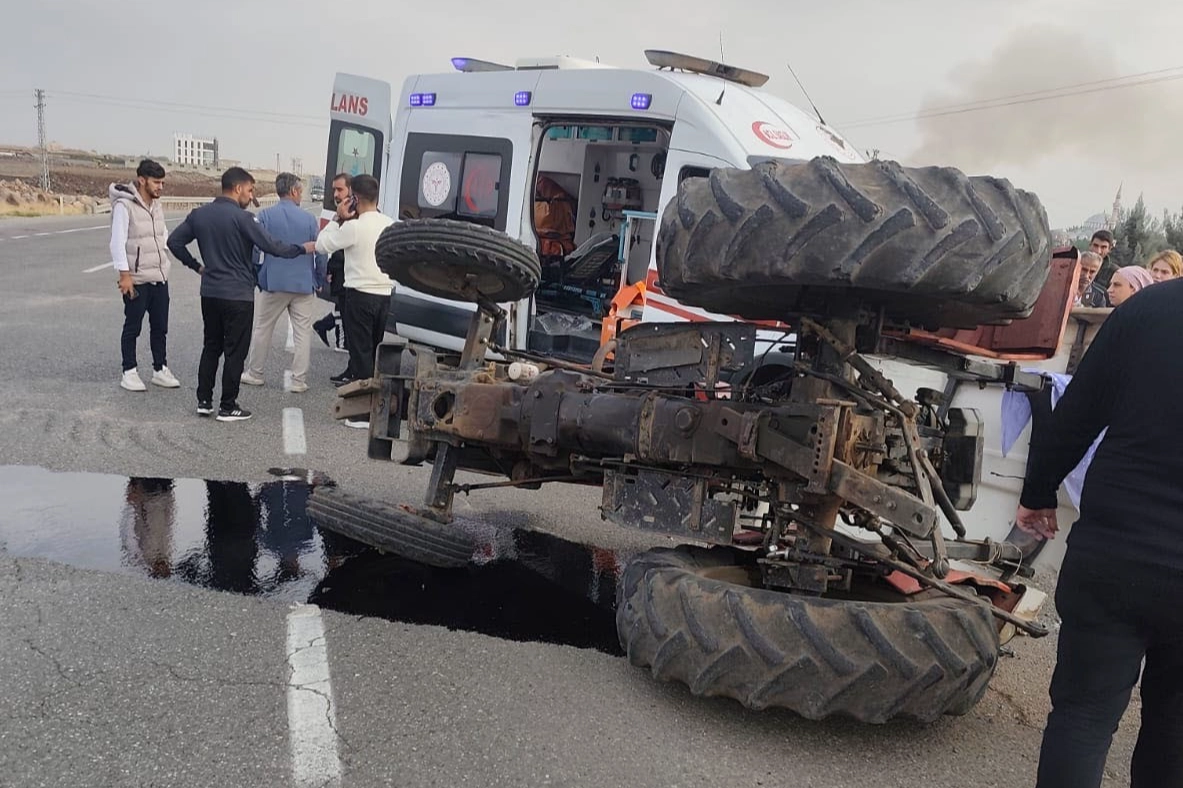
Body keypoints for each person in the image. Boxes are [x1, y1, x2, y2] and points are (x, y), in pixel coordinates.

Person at [1016, 275, 1183, 788]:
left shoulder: (1149, 309)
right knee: (1175, 728)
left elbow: (1078, 412)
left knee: (1082, 716)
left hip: (1116, 551)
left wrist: (1039, 491)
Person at [166, 167, 316, 422]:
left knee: (211, 346)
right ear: (237, 188)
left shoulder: (199, 215)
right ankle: (228, 406)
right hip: (238, 295)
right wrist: (301, 249)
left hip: (210, 292)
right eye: (250, 189)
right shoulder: (244, 219)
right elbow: (272, 247)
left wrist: (197, 266)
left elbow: (174, 242)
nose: (251, 195)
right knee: (235, 351)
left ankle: (204, 401)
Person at [315, 174, 394, 422]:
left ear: (355, 198)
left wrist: (337, 218)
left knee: (360, 355)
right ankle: (374, 408)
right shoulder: (390, 224)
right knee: (374, 353)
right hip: (384, 295)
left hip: (359, 295)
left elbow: (321, 245)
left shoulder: (353, 227)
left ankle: (361, 414)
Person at [240, 173, 326, 394]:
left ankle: (256, 373)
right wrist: (318, 278)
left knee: (263, 329)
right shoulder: (309, 219)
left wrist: (258, 274)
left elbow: (255, 249)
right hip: (303, 283)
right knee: (302, 333)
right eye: (300, 191)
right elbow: (320, 250)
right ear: (294, 191)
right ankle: (298, 380)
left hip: (274, 281)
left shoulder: (265, 215)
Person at [109, 159, 181, 392]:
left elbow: (162, 236)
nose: (160, 187)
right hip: (137, 279)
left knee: (160, 327)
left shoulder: (157, 206)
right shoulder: (124, 206)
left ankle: (160, 369)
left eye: (162, 183)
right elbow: (117, 243)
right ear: (142, 180)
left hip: (159, 276)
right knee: (133, 326)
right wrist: (125, 275)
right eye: (156, 182)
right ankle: (129, 371)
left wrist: (168, 258)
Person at [312, 173, 353, 354]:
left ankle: (324, 326)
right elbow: (334, 247)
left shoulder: (355, 214)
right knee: (343, 307)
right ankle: (341, 341)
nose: (335, 194)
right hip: (341, 271)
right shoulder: (341, 215)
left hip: (350, 272)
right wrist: (329, 269)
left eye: (339, 189)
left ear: (350, 189)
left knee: (345, 308)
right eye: (334, 190)